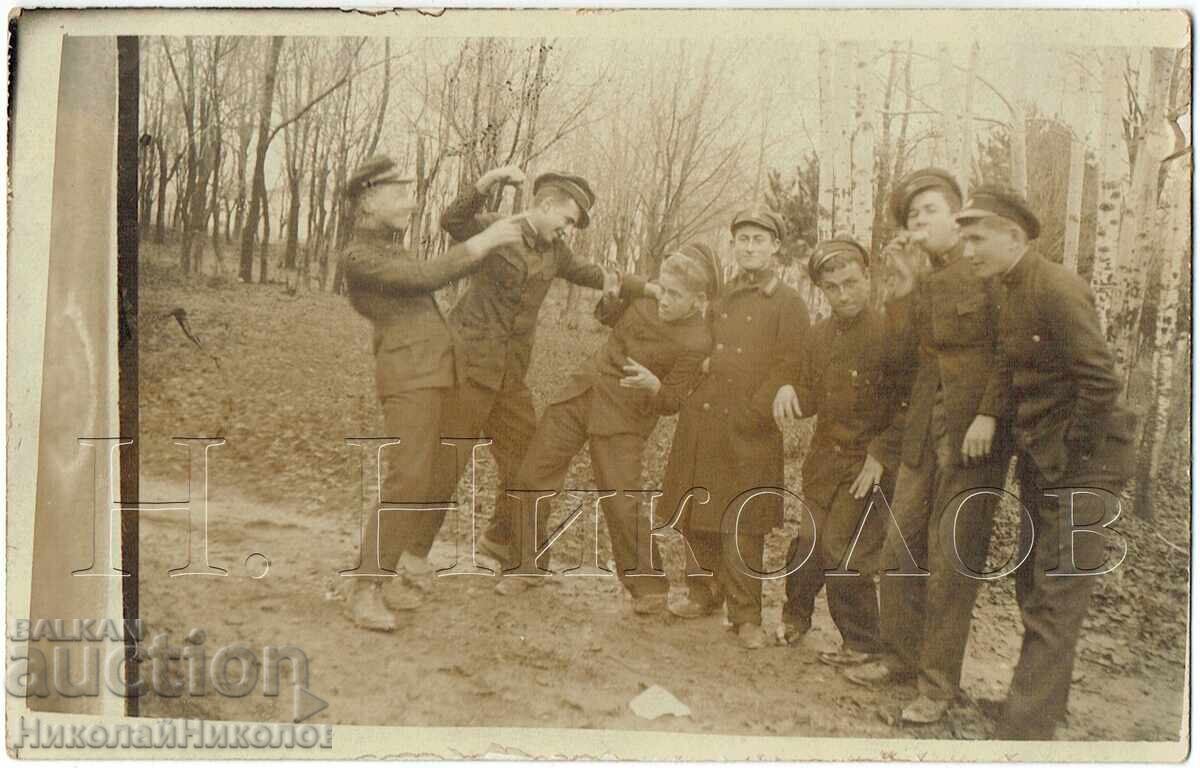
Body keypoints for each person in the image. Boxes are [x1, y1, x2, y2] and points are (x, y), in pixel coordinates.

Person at [957, 186, 1135, 740]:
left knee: (1058, 593)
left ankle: (1024, 731)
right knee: (1034, 586)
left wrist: (1072, 451)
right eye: (965, 240)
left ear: (1014, 236)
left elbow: (1101, 380)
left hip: (1085, 463)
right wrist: (989, 414)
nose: (968, 251)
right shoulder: (1005, 289)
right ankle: (1038, 707)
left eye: (977, 239)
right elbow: (1008, 365)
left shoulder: (1057, 287)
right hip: (1047, 459)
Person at [844, 168, 1012, 726]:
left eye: (930, 211)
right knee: (898, 551)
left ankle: (937, 687)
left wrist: (990, 413)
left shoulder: (986, 272)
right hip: (921, 434)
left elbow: (1009, 353)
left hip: (972, 440)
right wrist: (903, 287)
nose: (919, 223)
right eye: (913, 215)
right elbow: (898, 359)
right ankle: (899, 656)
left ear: (957, 217)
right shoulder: (921, 277)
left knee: (950, 563)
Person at [340, 154, 525, 631]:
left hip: (435, 373)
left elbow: (433, 258)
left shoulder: (390, 248)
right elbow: (426, 277)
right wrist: (485, 241)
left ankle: (386, 575)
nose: (411, 203)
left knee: (424, 480)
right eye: (400, 194)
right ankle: (365, 589)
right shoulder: (359, 256)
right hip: (409, 377)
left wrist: (482, 185)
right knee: (408, 479)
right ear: (368, 201)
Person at [500, 244, 720, 608]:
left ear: (698, 300)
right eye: (663, 290)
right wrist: (618, 293)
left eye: (675, 296)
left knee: (621, 501)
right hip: (582, 393)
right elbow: (608, 312)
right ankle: (525, 566)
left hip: (625, 415)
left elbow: (672, 402)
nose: (665, 300)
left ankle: (649, 587)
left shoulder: (698, 340)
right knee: (532, 474)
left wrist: (655, 386)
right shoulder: (647, 296)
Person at [436, 167, 618, 589]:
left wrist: (649, 289)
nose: (567, 230)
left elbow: (595, 274)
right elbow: (452, 221)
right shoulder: (498, 228)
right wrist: (489, 180)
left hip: (509, 380)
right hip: (467, 371)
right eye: (567, 220)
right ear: (546, 205)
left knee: (528, 464)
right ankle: (403, 560)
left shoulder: (556, 252)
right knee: (443, 466)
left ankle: (513, 551)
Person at [661, 207, 809, 650]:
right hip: (705, 417)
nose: (749, 247)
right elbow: (700, 342)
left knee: (744, 521)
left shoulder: (788, 302)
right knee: (697, 509)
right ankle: (703, 592)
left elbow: (790, 364)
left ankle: (746, 615)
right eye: (743, 239)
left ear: (775, 247)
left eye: (758, 240)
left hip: (750, 426)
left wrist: (753, 412)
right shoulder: (722, 295)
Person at [773, 238, 907, 665]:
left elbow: (910, 405)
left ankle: (862, 641)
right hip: (824, 463)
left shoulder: (891, 333)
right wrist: (789, 390)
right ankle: (796, 616)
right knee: (808, 541)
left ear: (867, 278)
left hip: (869, 465)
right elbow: (811, 395)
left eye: (850, 283)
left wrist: (881, 453)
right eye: (832, 287)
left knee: (843, 549)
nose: (843, 295)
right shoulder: (819, 336)